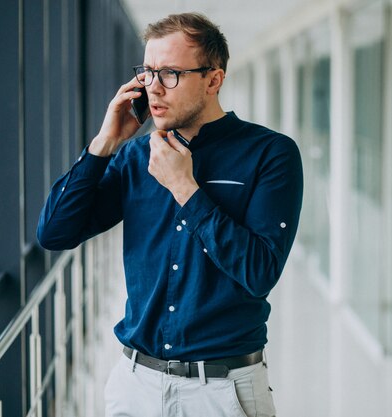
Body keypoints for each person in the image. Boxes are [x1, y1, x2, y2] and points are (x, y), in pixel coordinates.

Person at [37, 12, 303, 417]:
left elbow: (260, 272)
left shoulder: (271, 155)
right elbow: (55, 232)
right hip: (135, 384)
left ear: (213, 80)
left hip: (222, 390)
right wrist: (104, 141)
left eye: (171, 74)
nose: (153, 88)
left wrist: (185, 188)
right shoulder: (133, 156)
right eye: (148, 72)